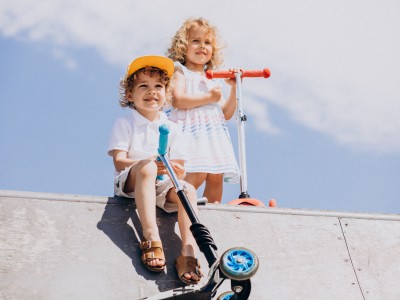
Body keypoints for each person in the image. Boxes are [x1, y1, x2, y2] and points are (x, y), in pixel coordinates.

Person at [108, 55, 202, 285]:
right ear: (130, 95)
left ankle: (188, 253)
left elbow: (179, 170)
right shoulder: (125, 123)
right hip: (131, 181)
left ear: (166, 94)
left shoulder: (173, 129)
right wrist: (148, 162)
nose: (152, 91)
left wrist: (171, 169)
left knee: (188, 190)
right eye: (144, 86)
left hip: (162, 185)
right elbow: (119, 161)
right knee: (148, 167)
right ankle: (151, 238)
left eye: (159, 86)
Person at [166, 18, 240, 204]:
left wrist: (233, 88)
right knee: (197, 171)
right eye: (196, 41)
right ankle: (177, 201)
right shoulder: (181, 71)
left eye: (207, 43)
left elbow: (226, 113)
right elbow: (178, 100)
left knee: (216, 176)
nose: (202, 46)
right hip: (190, 131)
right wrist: (208, 98)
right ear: (183, 46)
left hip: (212, 135)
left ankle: (212, 213)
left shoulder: (212, 79)